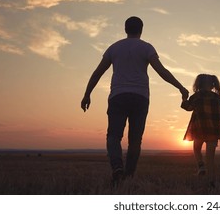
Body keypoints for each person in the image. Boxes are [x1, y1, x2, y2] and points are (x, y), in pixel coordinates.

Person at [81, 16, 189, 187]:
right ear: (141, 30)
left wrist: (87, 94)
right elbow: (162, 71)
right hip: (140, 97)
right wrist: (180, 87)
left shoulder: (114, 48)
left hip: (118, 96)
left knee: (114, 136)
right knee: (135, 140)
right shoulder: (146, 47)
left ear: (125, 29)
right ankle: (128, 175)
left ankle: (117, 168)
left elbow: (97, 73)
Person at [181, 74, 220, 187]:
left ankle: (201, 165)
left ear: (198, 84)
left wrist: (184, 98)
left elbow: (188, 107)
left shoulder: (196, 97)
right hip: (214, 130)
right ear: (213, 85)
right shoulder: (217, 98)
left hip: (199, 128)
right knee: (210, 157)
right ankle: (211, 181)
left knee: (196, 148)